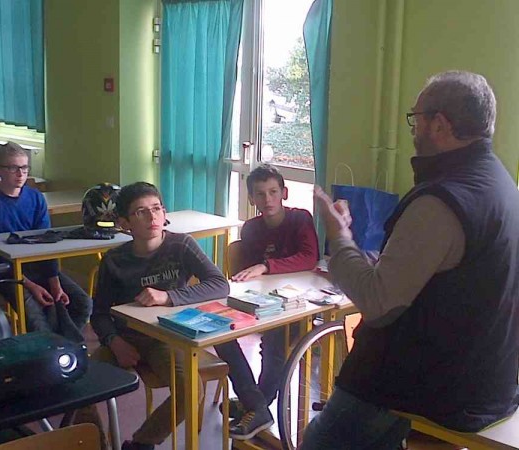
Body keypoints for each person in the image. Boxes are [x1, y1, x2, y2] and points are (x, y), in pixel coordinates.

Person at [308, 71, 519, 449]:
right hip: (490, 384)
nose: (413, 130)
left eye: (415, 119)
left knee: (319, 441)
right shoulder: (502, 185)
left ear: (439, 125)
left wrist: (339, 238)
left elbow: (378, 303)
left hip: (431, 387)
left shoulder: (441, 201)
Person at [89, 181, 230, 450]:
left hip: (168, 338)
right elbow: (99, 314)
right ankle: (96, 443)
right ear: (125, 223)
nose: (152, 217)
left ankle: (141, 443)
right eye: (140, 212)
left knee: (191, 390)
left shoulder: (181, 245)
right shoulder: (114, 259)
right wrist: (114, 342)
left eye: (156, 209)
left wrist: (169, 297)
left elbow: (219, 284)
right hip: (126, 337)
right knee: (82, 385)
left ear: (164, 213)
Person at [214, 164, 319, 440]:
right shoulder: (251, 228)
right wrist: (260, 271)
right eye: (260, 194)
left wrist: (267, 266)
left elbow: (309, 258)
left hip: (298, 303)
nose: (268, 199)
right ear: (251, 199)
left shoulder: (300, 220)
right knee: (219, 333)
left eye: (273, 192)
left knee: (275, 344)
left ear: (284, 193)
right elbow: (248, 273)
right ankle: (257, 404)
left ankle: (255, 403)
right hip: (262, 302)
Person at [0, 142, 93, 336]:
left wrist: (54, 283)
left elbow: (47, 242)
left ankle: (62, 344)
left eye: (24, 168)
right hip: (7, 271)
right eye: (13, 168)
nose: (20, 174)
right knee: (37, 317)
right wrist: (31, 286)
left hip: (38, 265)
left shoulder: (36, 198)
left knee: (83, 304)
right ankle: (50, 346)